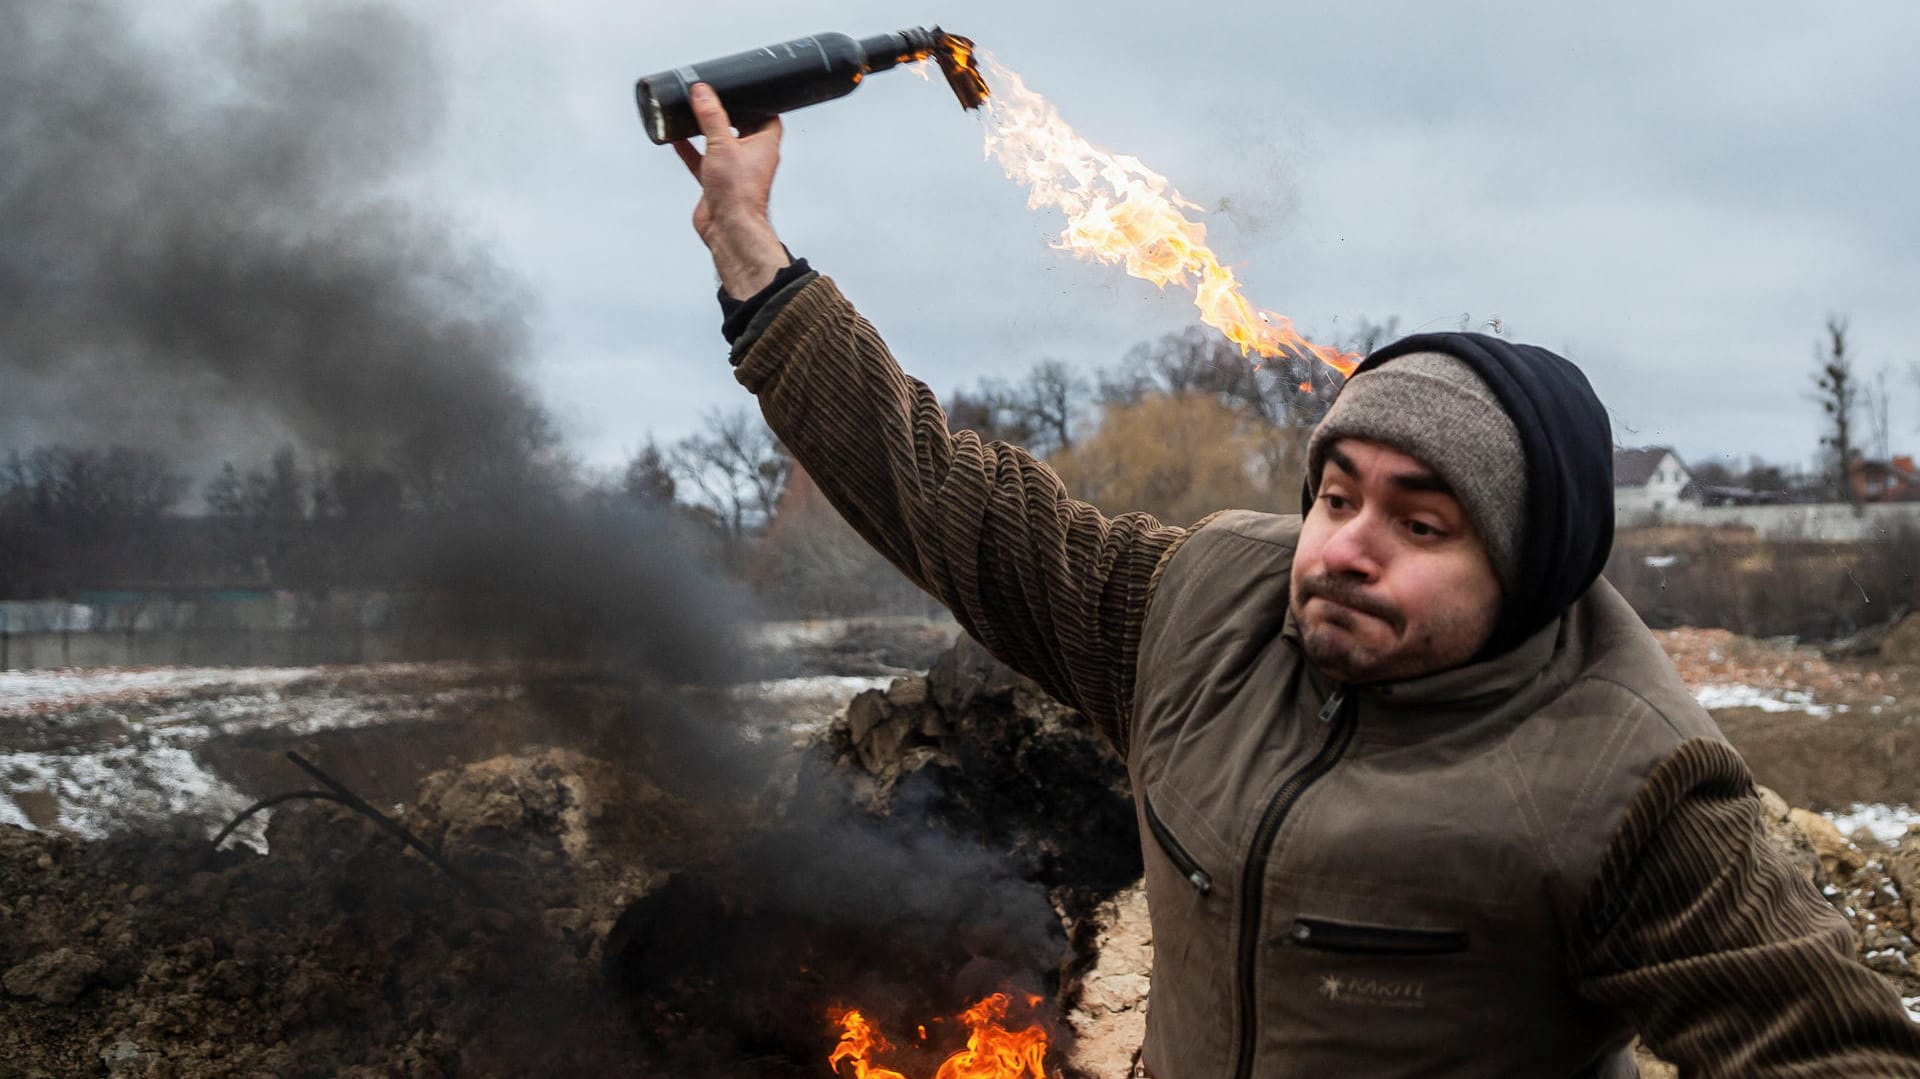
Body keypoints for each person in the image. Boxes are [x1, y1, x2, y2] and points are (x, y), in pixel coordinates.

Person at [664, 82, 1920, 1077]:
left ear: (1531, 567)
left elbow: (1831, 1049)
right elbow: (949, 500)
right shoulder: (1212, 606)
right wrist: (747, 245)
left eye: (1422, 523)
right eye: (1336, 494)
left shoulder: (1630, 779)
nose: (1346, 545)